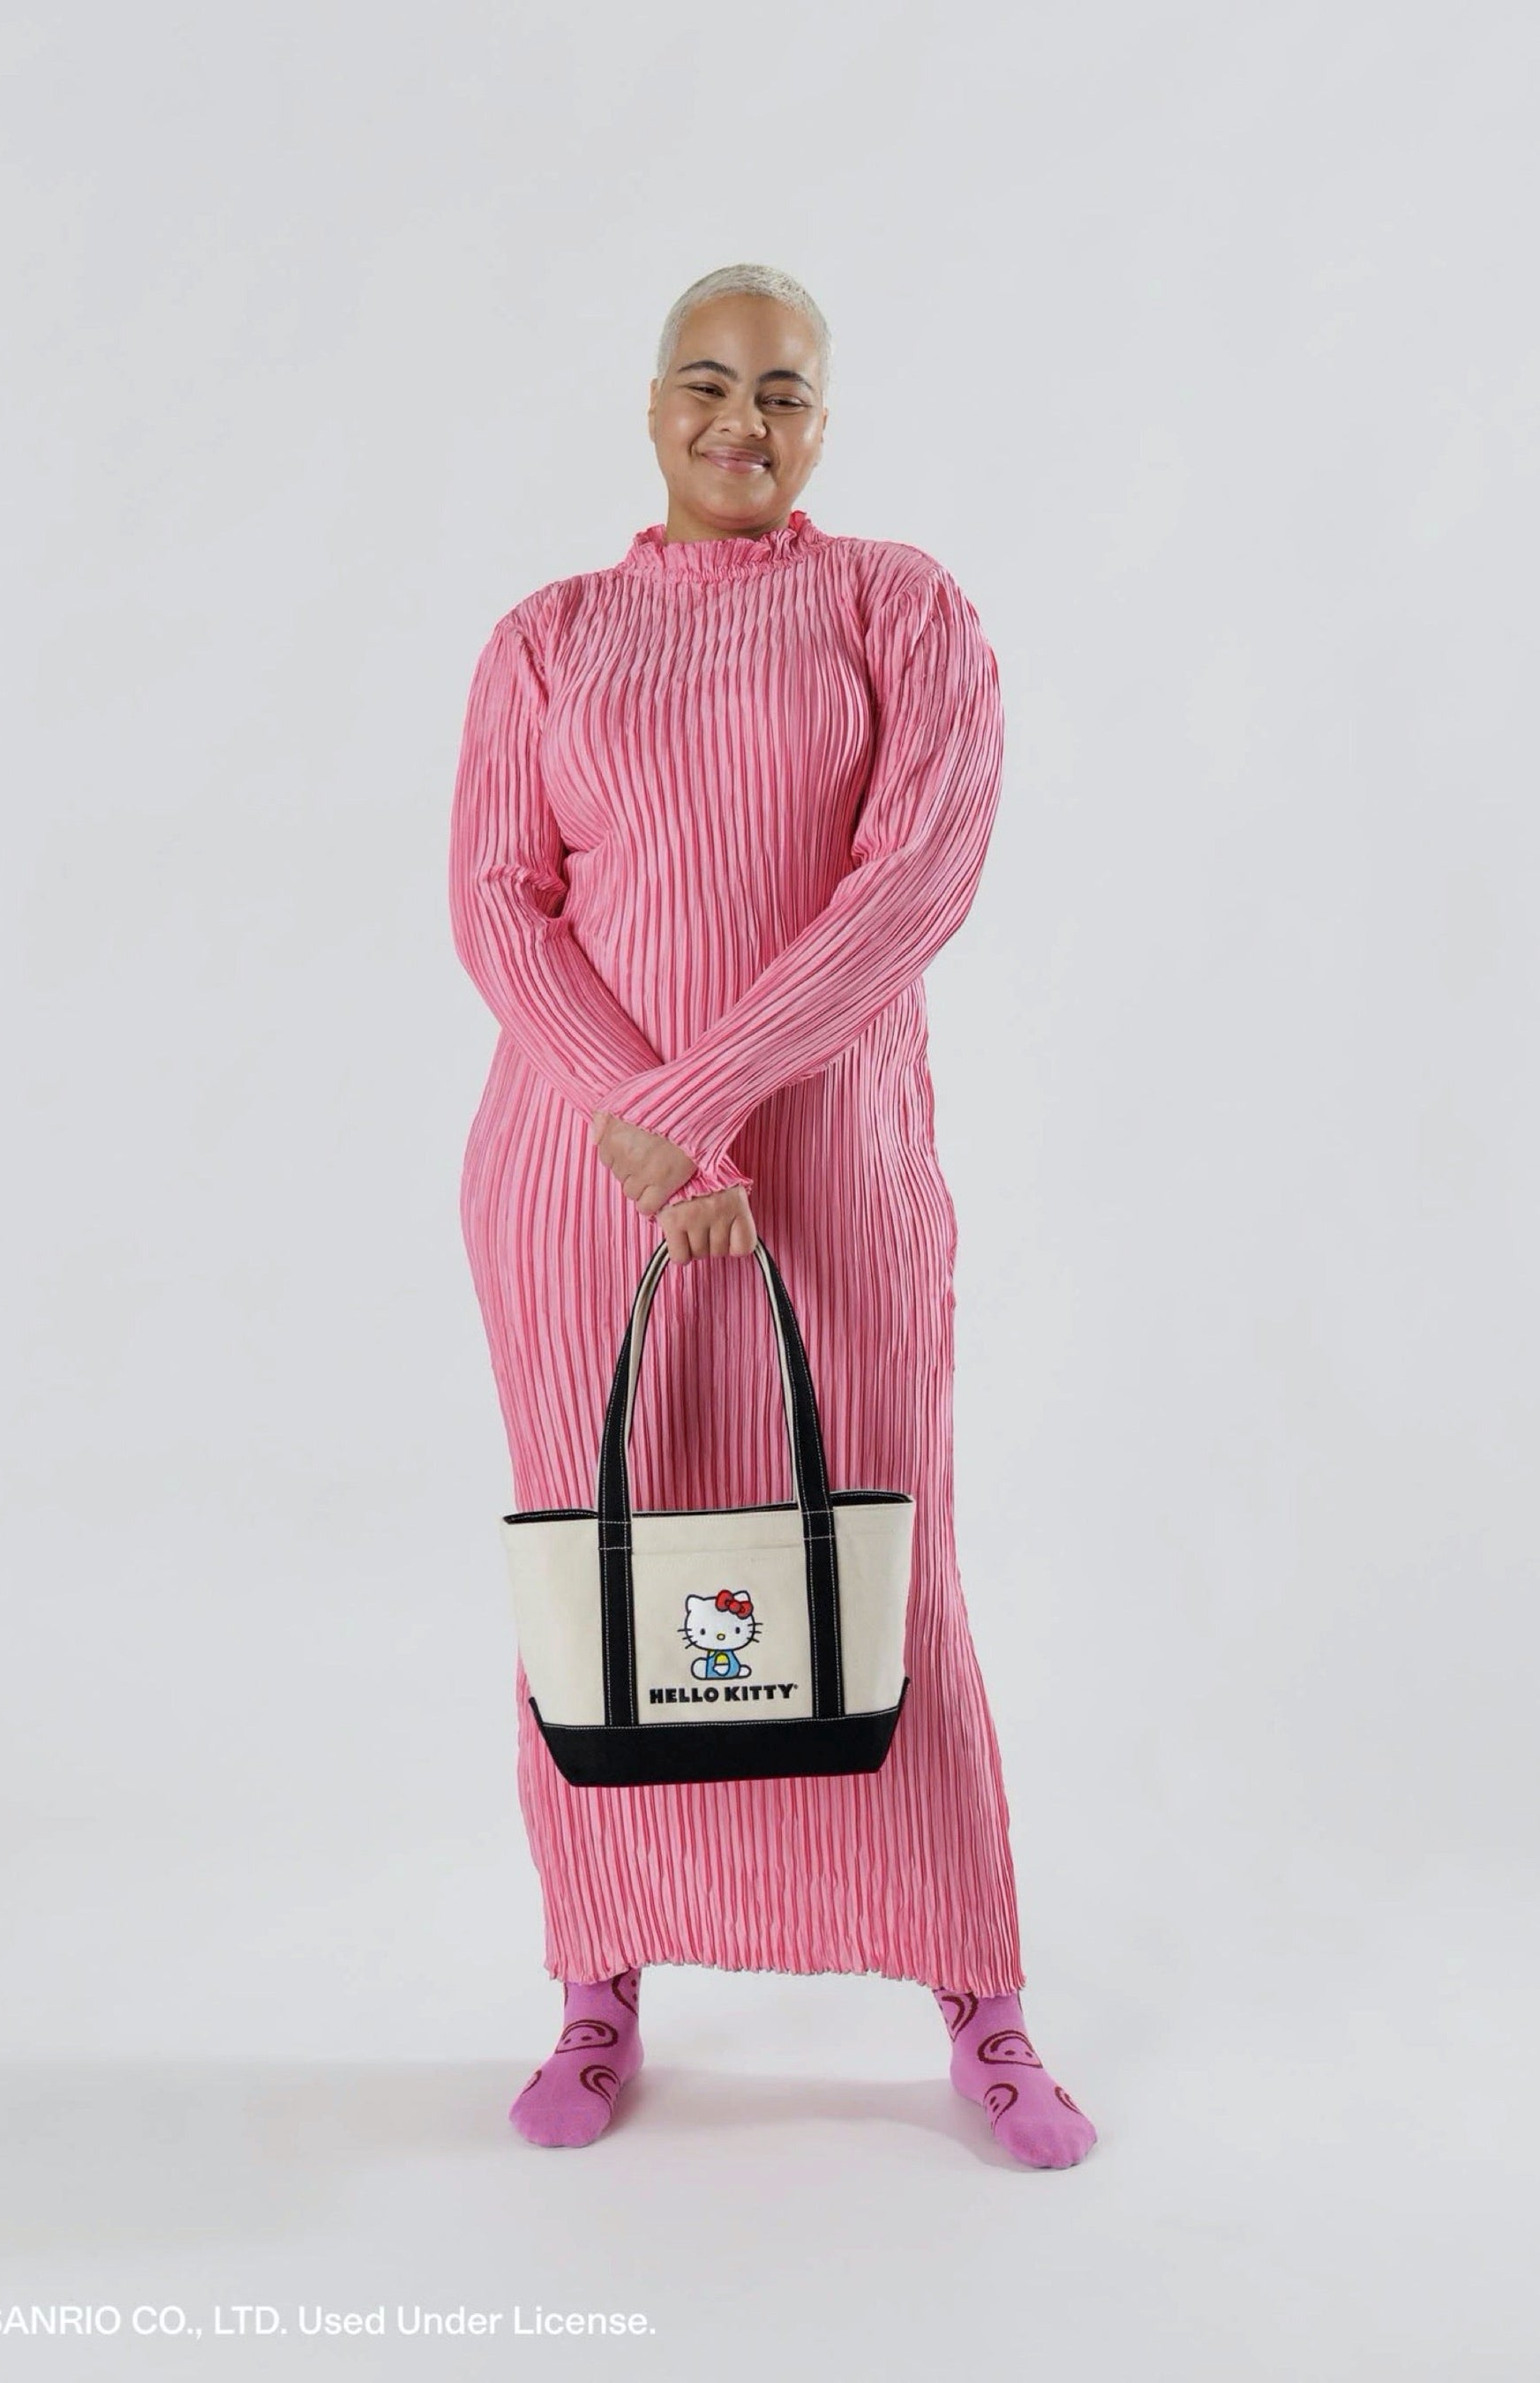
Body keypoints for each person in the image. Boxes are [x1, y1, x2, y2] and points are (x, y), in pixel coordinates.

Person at [448, 263, 1097, 2168]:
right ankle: (598, 1980)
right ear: (651, 401)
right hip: (582, 1188)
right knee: (607, 1563)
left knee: (883, 1558)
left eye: (785, 392)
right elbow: (498, 904)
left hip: (826, 1174)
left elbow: (918, 876)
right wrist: (650, 1132)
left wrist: (702, 1110)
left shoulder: (897, 607)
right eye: (709, 381)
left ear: (825, 421)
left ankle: (979, 1997)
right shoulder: (548, 638)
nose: (744, 421)